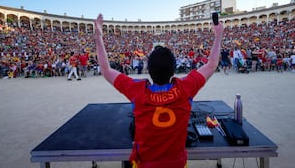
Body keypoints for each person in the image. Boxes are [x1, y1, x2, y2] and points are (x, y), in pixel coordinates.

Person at [94, 13, 223, 168]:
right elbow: (212, 64)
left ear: (149, 70)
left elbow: (106, 70)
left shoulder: (137, 90)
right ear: (173, 70)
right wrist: (218, 35)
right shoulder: (185, 88)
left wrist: (98, 37)